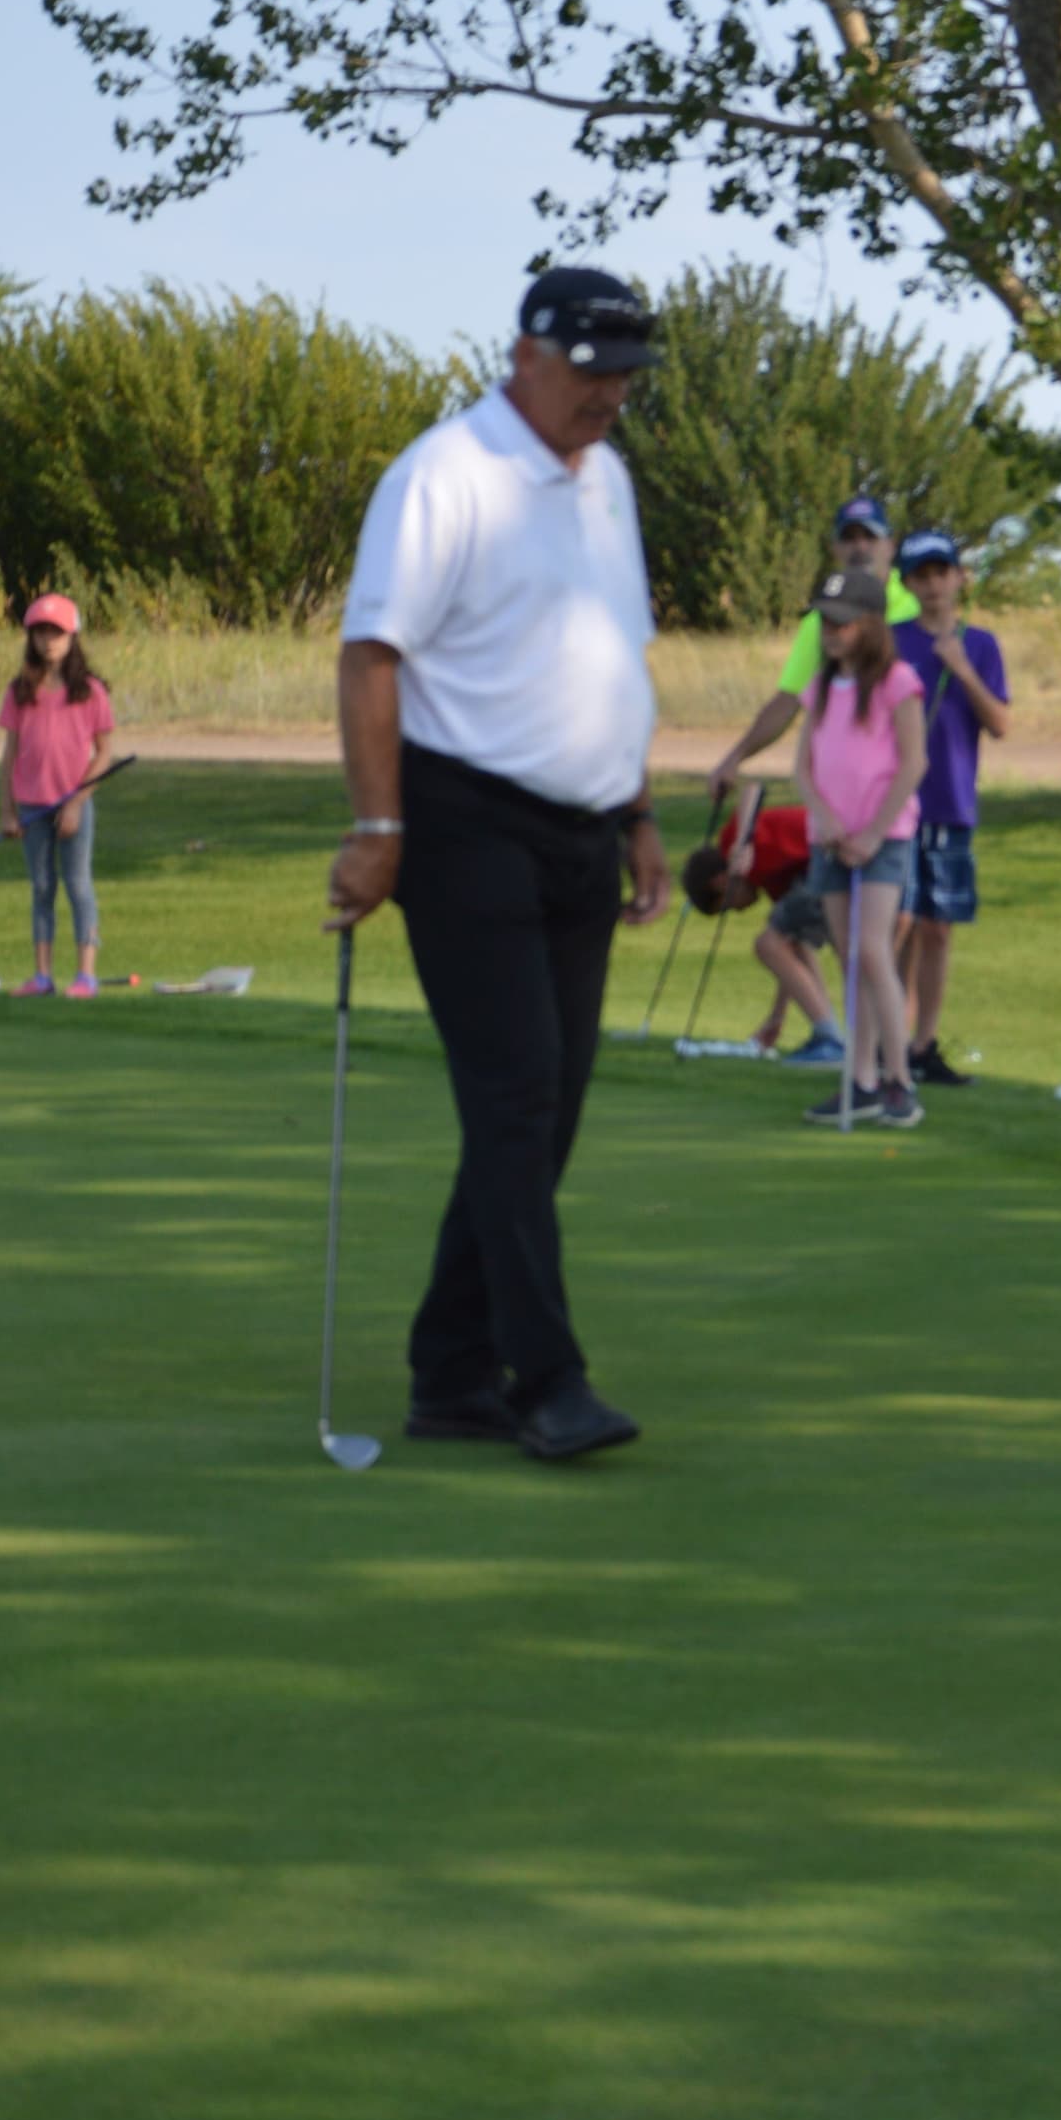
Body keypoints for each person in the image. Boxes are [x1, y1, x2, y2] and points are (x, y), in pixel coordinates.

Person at [329, 264, 673, 1466]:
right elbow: (372, 657)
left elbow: (613, 657)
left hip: (584, 825)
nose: (610, 399)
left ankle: (451, 1371)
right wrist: (379, 832)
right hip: (463, 821)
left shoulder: (609, 483)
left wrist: (636, 814)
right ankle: (548, 1377)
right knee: (516, 1096)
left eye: (625, 379)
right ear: (527, 355)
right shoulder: (445, 475)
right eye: (592, 374)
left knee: (546, 1112)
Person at [791, 565, 930, 1131]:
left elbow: (913, 762)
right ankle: (861, 1080)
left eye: (843, 624)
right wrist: (823, 817)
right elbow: (802, 766)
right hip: (830, 838)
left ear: (872, 625)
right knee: (851, 960)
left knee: (873, 952)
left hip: (884, 836)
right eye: (826, 622)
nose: (831, 633)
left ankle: (898, 1078)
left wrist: (873, 829)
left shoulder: (897, 681)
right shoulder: (821, 687)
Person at [890, 527, 1010, 1088]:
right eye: (922, 575)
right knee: (897, 923)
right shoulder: (889, 642)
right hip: (894, 802)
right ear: (908, 583)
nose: (934, 584)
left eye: (942, 572)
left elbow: (1001, 723)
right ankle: (888, 1039)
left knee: (938, 928)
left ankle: (923, 1044)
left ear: (960, 577)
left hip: (951, 801)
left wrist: (960, 668)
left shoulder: (981, 645)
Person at [706, 493, 917, 799]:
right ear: (835, 548)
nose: (859, 547)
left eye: (869, 537)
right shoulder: (821, 620)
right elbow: (789, 699)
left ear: (890, 545)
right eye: (849, 538)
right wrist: (735, 757)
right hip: (852, 791)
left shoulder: (915, 605)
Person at [0, 593, 124, 997]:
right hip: (31, 804)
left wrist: (76, 803)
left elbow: (104, 754)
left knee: (78, 885)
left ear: (72, 637)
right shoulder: (20, 691)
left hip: (72, 804)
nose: (48, 641)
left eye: (57, 633)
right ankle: (42, 975)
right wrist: (8, 810)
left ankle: (86, 975)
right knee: (42, 887)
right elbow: (10, 754)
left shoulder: (89, 691)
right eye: (41, 632)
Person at [671, 787, 844, 1064]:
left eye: (728, 906)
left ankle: (830, 1039)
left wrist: (743, 841)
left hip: (827, 856)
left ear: (720, 882)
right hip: (823, 865)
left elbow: (753, 787)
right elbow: (793, 955)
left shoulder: (732, 846)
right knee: (790, 944)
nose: (739, 910)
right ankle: (829, 1034)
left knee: (766, 944)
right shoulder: (774, 881)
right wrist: (777, 1017)